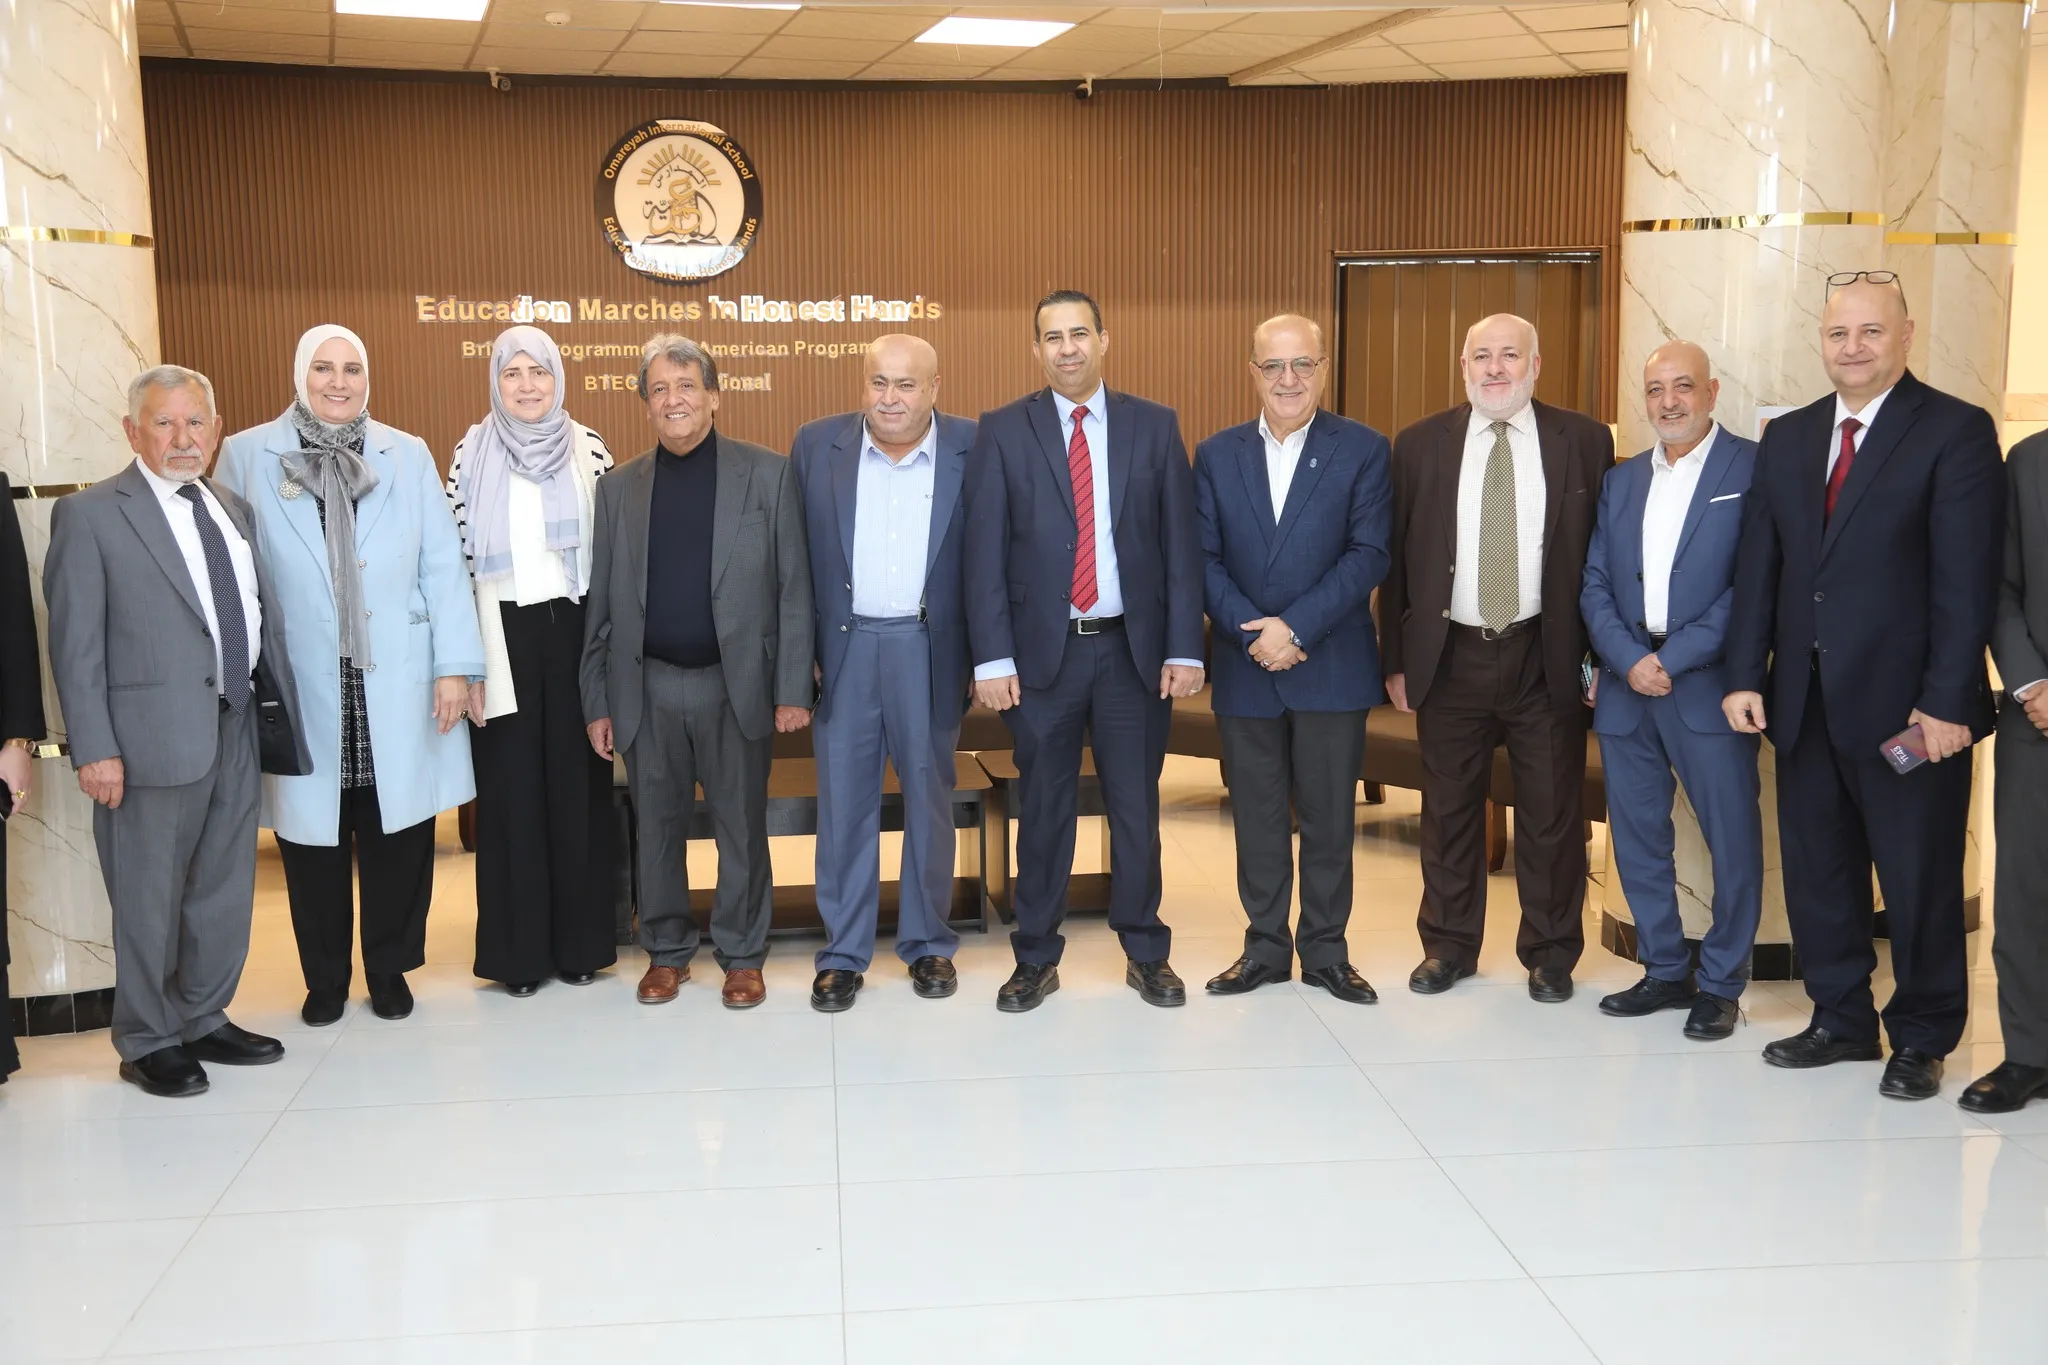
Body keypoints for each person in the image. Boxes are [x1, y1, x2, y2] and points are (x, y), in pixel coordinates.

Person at [1724, 273, 2004, 1102]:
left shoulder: (1954, 429)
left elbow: (1967, 579)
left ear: (1905, 336)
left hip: (1910, 712)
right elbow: (1762, 566)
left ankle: (1922, 1035)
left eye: (1871, 332)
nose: (1853, 347)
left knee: (1918, 879)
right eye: (1839, 333)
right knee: (1819, 870)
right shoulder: (1790, 436)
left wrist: (1948, 700)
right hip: (1803, 702)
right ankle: (1841, 1017)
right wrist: (1744, 674)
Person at [46, 366, 308, 1096]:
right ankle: (146, 1038)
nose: (182, 437)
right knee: (147, 897)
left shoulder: (230, 506)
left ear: (216, 431)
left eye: (195, 422)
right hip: (144, 745)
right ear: (133, 432)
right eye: (164, 422)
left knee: (222, 890)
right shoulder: (91, 515)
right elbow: (74, 645)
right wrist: (94, 747)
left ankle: (201, 1016)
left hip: (233, 725)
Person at [217, 325, 484, 1027]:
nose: (338, 382)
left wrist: (455, 667)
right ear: (299, 375)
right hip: (303, 676)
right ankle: (326, 978)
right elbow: (230, 572)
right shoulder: (247, 454)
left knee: (399, 829)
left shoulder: (407, 452)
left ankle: (390, 969)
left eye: (352, 369)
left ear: (368, 378)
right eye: (324, 368)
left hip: (395, 671)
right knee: (314, 836)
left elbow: (441, 565)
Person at [963, 289, 1205, 1013]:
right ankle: (1035, 955)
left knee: (1136, 808)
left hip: (1134, 653)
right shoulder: (1002, 429)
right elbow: (983, 552)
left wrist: (1185, 646)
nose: (1066, 348)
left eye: (1079, 334)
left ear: (1105, 340)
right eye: (1052, 337)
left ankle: (1146, 950)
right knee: (1044, 810)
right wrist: (991, 658)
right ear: (1036, 349)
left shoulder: (1154, 426)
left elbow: (1180, 546)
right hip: (1043, 659)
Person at [1379, 313, 1614, 1003]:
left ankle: (1550, 952)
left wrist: (1600, 656)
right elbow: (1397, 563)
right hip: (1451, 654)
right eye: (1481, 356)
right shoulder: (1418, 445)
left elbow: (1604, 554)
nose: (1495, 368)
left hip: (1547, 654)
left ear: (1536, 365)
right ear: (1463, 367)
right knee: (1448, 810)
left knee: (1552, 814)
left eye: (1510, 355)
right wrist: (1396, 660)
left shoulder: (1584, 441)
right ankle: (1448, 945)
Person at [581, 334, 813, 1011]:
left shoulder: (767, 474)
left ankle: (742, 955)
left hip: (735, 684)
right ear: (646, 404)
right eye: (659, 389)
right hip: (647, 686)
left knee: (741, 826)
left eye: (687, 386)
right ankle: (667, 951)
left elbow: (795, 589)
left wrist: (792, 689)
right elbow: (601, 604)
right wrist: (597, 699)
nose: (673, 399)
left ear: (714, 395)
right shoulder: (617, 489)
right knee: (656, 827)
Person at [1193, 313, 1390, 1004]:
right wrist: (1255, 633)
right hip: (1246, 661)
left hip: (1329, 661)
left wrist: (1296, 628)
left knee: (1331, 819)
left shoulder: (1363, 449)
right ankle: (1265, 949)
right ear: (1252, 372)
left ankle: (1327, 951)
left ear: (1324, 369)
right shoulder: (1216, 454)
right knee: (1257, 818)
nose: (1288, 379)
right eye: (1273, 365)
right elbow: (1202, 558)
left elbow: (1369, 553)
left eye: (1303, 363)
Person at [1581, 341, 1761, 1041]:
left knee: (1731, 838)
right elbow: (1595, 581)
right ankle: (1663, 968)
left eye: (1683, 386)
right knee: (1637, 838)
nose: (1668, 401)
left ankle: (1720, 983)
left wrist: (1673, 657)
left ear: (1711, 392)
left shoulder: (1750, 467)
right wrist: (1629, 660)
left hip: (1708, 685)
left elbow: (1753, 584)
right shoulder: (1622, 478)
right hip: (1628, 683)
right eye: (1655, 389)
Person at [790, 336, 975, 1011]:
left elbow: (992, 559)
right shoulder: (817, 444)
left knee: (929, 798)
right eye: (878, 382)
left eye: (905, 384)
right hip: (844, 649)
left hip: (930, 648)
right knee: (844, 804)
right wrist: (799, 652)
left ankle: (927, 943)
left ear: (934, 388)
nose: (889, 398)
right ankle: (843, 952)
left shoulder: (972, 446)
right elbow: (793, 560)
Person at [446, 325, 617, 997]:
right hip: (500, 636)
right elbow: (453, 562)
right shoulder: (469, 452)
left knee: (578, 792)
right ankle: (518, 957)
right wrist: (465, 661)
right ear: (495, 380)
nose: (526, 385)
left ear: (557, 378)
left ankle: (581, 946)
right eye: (512, 372)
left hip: (576, 631)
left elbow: (613, 555)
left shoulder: (588, 447)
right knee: (511, 797)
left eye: (538, 371)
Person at [1971, 431, 2048, 1112]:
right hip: (2037, 715)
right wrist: (2031, 683)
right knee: (2024, 892)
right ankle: (2028, 1053)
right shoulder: (2028, 462)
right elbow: (1998, 588)